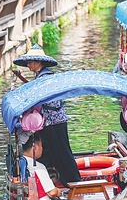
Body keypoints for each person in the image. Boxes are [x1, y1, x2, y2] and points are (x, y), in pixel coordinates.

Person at [13, 45, 82, 186]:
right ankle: (46, 181)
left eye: (30, 62)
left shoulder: (45, 78)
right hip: (49, 121)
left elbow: (39, 97)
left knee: (61, 152)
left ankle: (74, 181)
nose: (28, 64)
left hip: (53, 121)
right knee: (47, 152)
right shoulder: (43, 77)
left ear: (38, 62)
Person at [21, 133, 86, 200]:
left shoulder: (20, 163)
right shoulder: (38, 166)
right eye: (41, 145)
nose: (42, 148)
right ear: (35, 147)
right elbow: (52, 192)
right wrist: (58, 191)